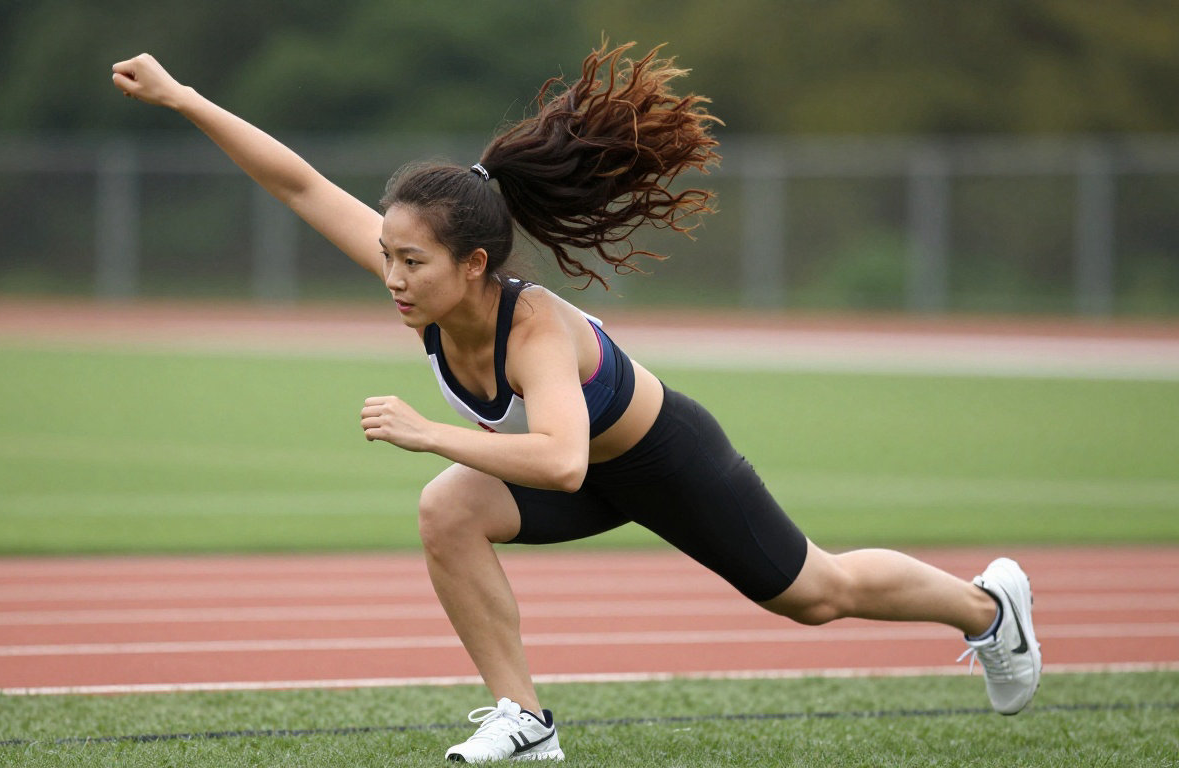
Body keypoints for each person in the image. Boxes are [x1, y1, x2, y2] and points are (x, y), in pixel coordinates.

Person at [111, 43, 1041, 763]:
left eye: (411, 261)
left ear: (474, 265)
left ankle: (986, 609)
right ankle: (527, 719)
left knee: (814, 594)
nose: (390, 276)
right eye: (388, 256)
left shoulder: (535, 332)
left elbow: (561, 458)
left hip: (658, 462)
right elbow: (300, 183)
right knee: (446, 509)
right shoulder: (427, 289)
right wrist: (185, 97)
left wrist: (431, 430)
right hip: (577, 469)